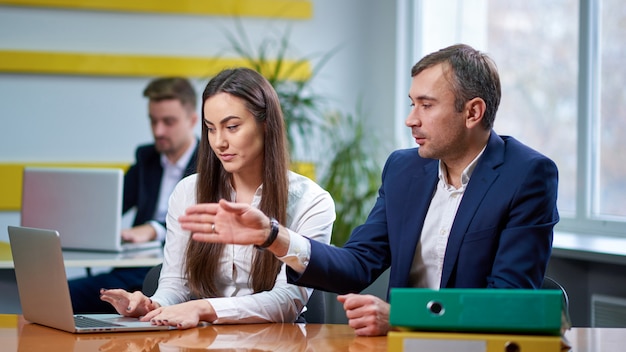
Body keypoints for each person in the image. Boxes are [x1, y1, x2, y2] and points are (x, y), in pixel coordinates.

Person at [187, 44, 560, 336]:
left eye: (426, 106)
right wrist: (274, 236)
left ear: (473, 112)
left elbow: (508, 303)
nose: (410, 119)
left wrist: (403, 317)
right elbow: (358, 264)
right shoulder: (404, 169)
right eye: (412, 104)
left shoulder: (527, 176)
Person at [99, 67, 335, 329]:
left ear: (265, 124)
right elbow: (175, 284)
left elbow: (287, 302)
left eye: (232, 127)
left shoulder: (312, 201)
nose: (219, 142)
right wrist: (153, 305)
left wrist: (204, 308)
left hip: (277, 342)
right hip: (204, 340)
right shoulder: (188, 192)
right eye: (211, 129)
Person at [69, 77, 200, 313]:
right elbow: (112, 206)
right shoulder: (146, 157)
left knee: (68, 295)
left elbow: (199, 219)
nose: (158, 131)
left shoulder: (209, 163)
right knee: (59, 293)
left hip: (174, 272)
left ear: (192, 121)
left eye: (168, 122)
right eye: (153, 121)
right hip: (133, 265)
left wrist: (153, 229)